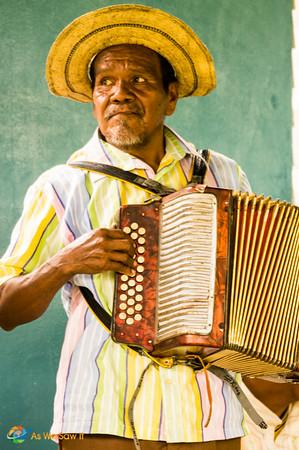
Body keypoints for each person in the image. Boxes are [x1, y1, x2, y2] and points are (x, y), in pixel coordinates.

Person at [0, 4, 298, 450]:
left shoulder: (222, 175)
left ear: (170, 96)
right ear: (94, 98)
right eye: (105, 83)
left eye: (138, 80)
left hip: (208, 411)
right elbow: (5, 309)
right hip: (100, 410)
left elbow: (262, 280)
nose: (119, 94)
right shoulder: (61, 187)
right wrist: (64, 264)